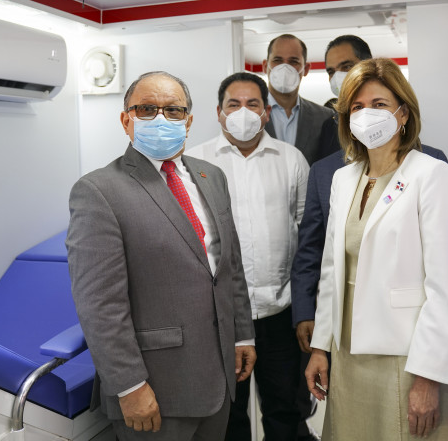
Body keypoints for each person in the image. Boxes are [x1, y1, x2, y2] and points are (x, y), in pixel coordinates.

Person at [66, 71, 256, 441]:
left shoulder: (211, 176)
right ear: (126, 120)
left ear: (188, 121)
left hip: (218, 377)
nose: (160, 119)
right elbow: (99, 303)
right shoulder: (98, 191)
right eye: (147, 109)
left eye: (173, 110)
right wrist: (129, 386)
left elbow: (228, 267)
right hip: (154, 388)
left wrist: (242, 335)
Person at [305, 58, 448, 440]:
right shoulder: (343, 179)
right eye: (357, 107)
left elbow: (442, 287)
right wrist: (320, 348)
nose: (367, 114)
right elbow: (332, 271)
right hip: (347, 354)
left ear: (403, 113)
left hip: (407, 355)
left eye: (379, 104)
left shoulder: (430, 174)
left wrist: (428, 376)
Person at [186, 72, 309, 441]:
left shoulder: (291, 159)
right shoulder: (194, 162)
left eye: (252, 104)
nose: (243, 112)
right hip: (221, 317)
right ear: (219, 113)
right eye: (234, 104)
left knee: (285, 411)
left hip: (280, 312)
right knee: (228, 415)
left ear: (266, 112)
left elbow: (307, 232)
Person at [263, 33, 338, 165]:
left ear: (306, 69)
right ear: (265, 66)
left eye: (293, 61)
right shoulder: (251, 114)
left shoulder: (324, 117)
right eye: (277, 60)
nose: (285, 68)